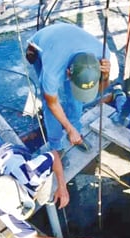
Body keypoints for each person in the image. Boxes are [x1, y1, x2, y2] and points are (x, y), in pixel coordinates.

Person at [26, 22, 117, 152]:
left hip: (68, 40)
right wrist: (68, 129)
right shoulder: (52, 72)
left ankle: (76, 131)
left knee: (76, 97)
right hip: (40, 44)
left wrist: (106, 75)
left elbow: (101, 89)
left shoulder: (102, 57)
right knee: (49, 102)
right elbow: (53, 104)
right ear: (68, 73)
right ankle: (56, 145)